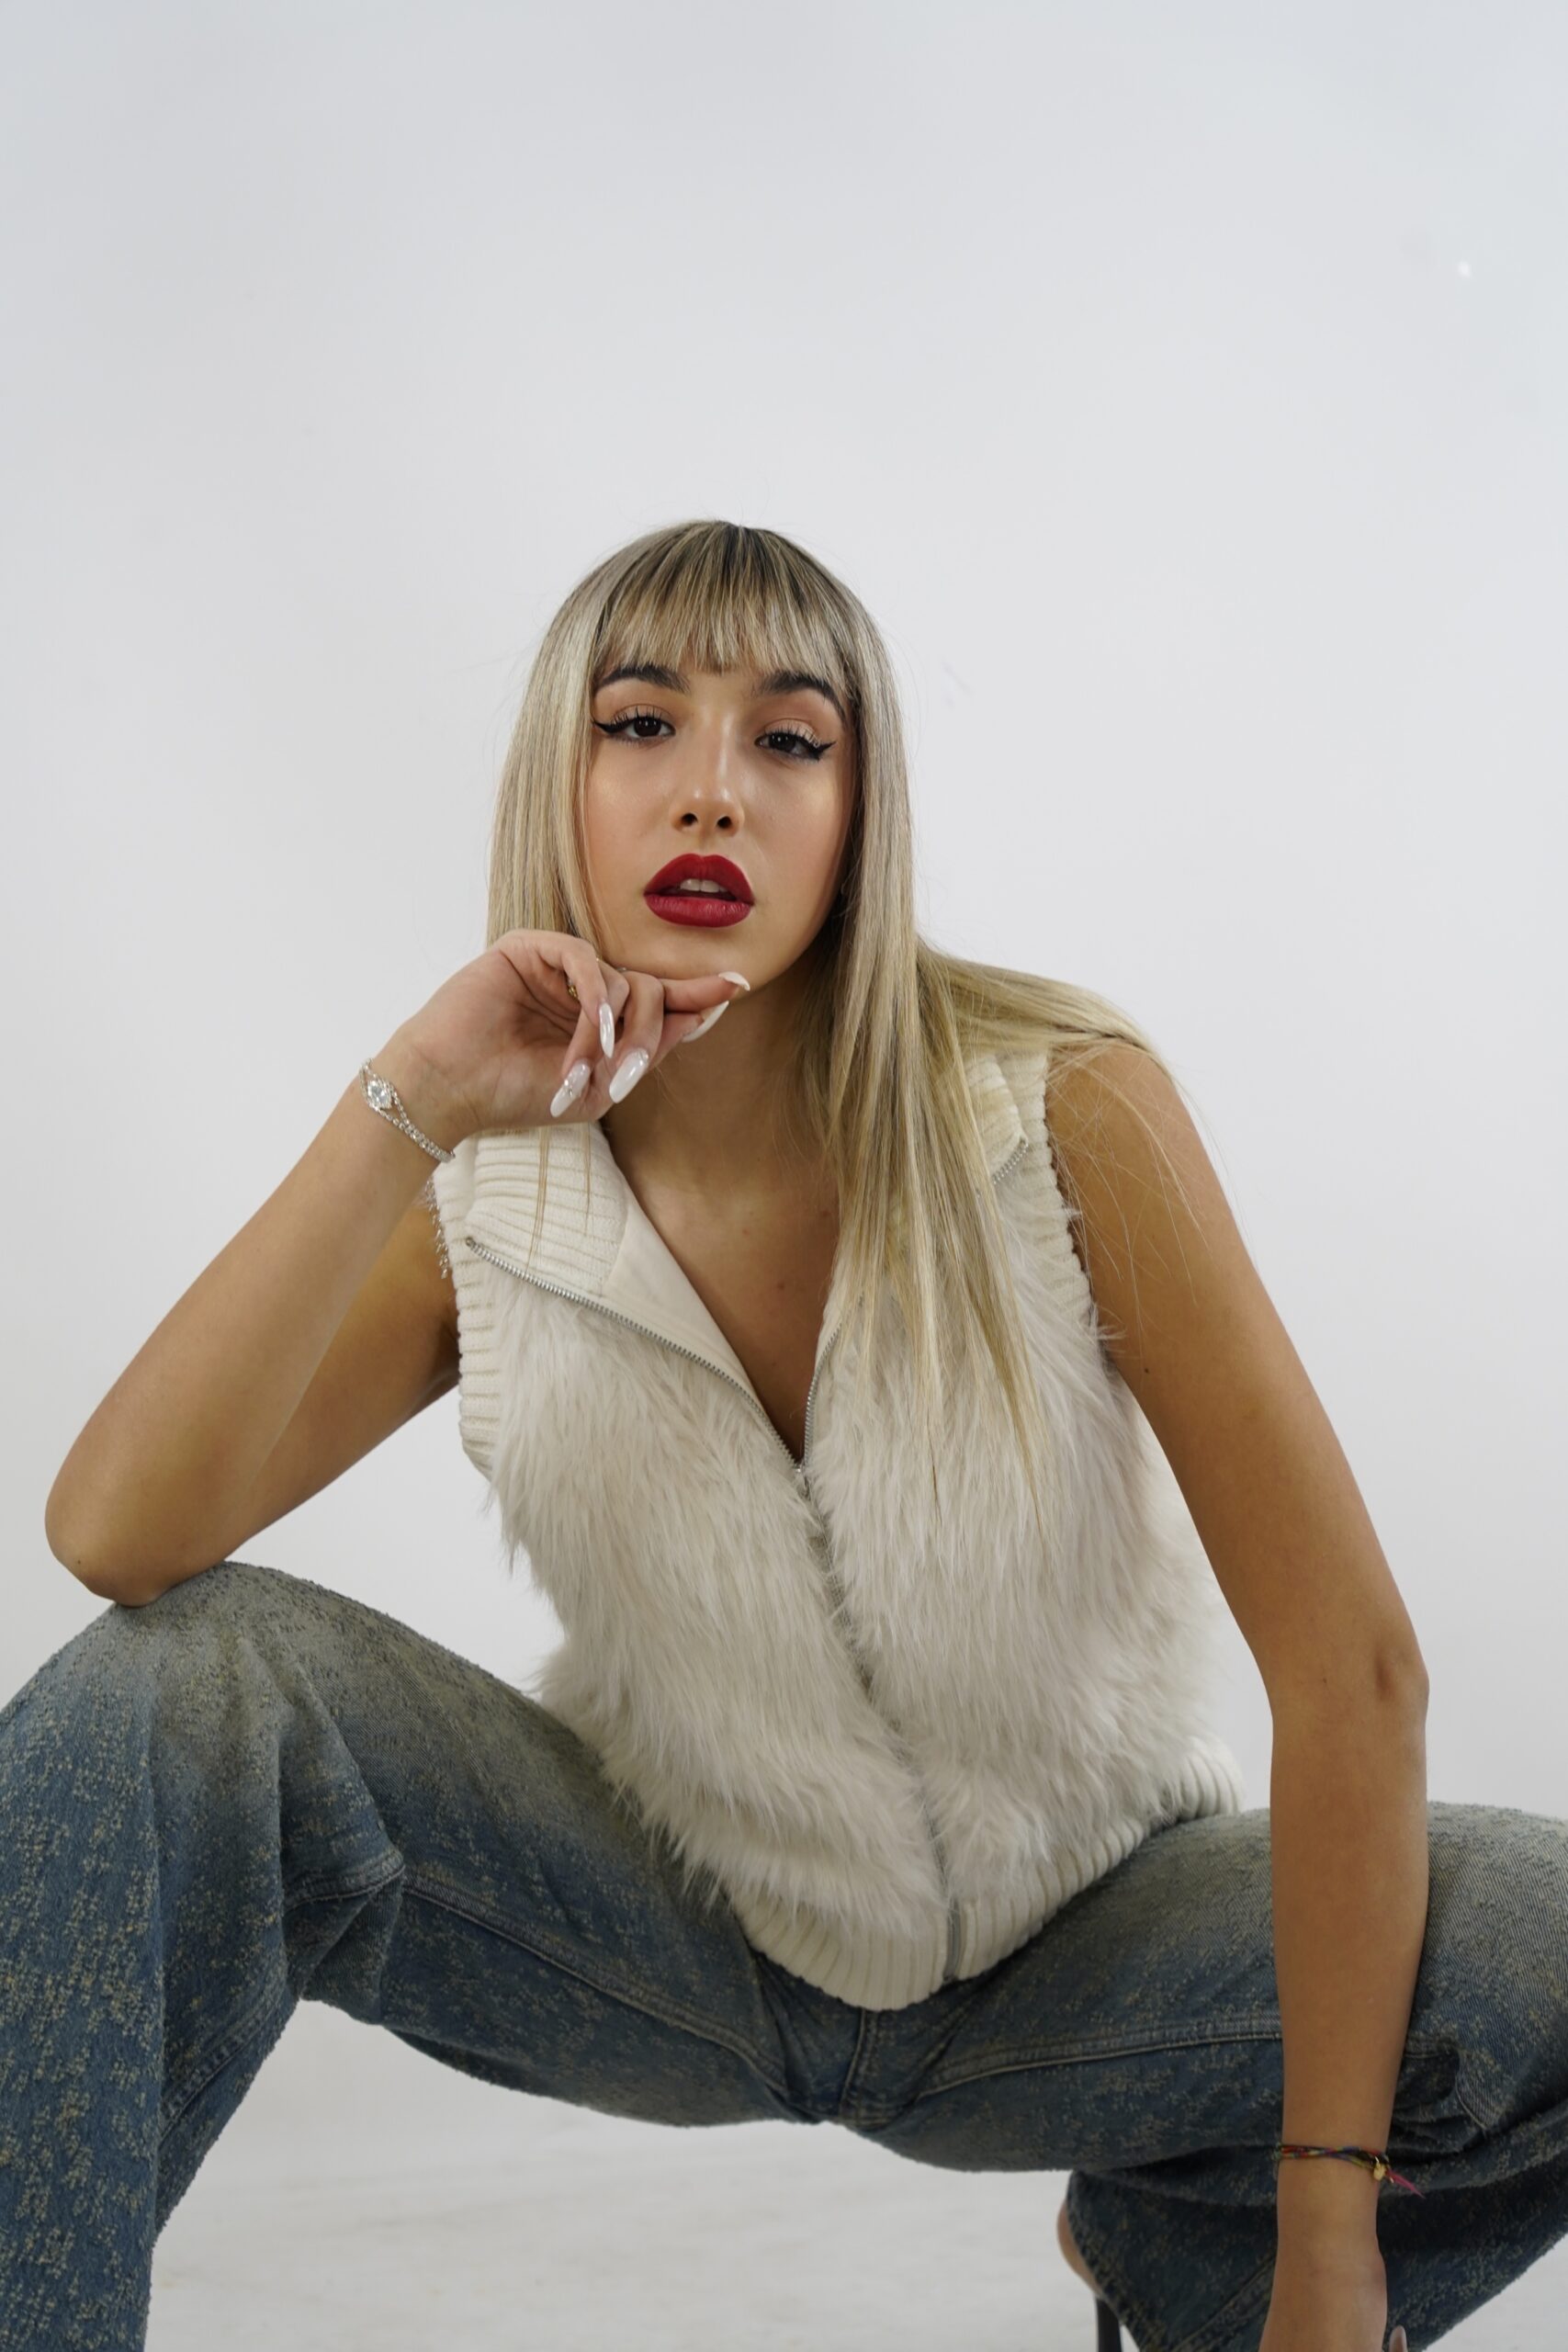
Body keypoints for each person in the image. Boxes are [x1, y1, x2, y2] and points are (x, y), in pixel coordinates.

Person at [6, 518, 1563, 2352]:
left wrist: (1323, 2242)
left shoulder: (1061, 1105)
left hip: (1097, 1953)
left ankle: (1178, 2254)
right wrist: (407, 1101)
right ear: (560, 782)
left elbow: (1353, 1671)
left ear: (858, 806)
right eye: (641, 724)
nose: (712, 793)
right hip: (669, 1941)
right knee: (167, 1688)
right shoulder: (480, 1199)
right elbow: (115, 1533)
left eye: (788, 739)